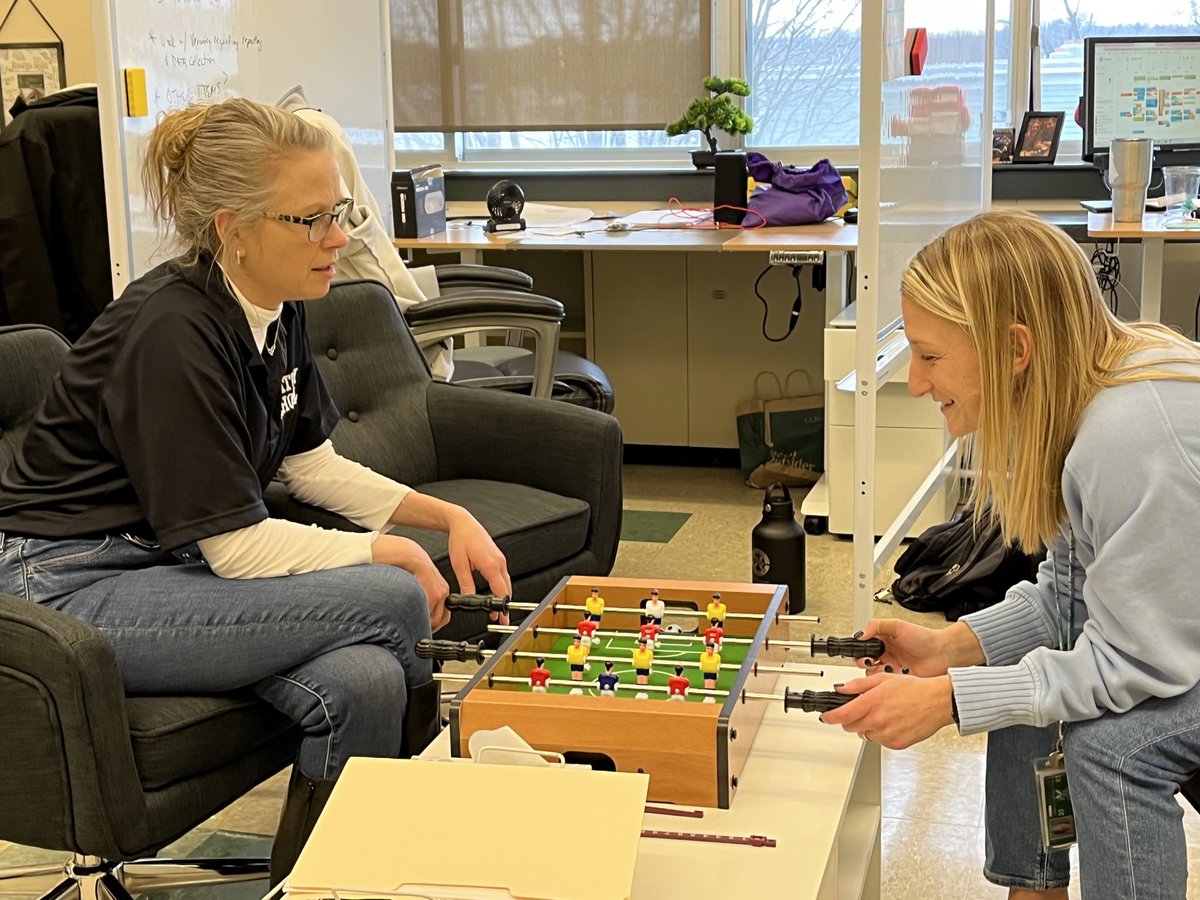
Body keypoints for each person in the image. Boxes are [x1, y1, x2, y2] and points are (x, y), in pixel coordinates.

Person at [0, 97, 511, 883]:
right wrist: (392, 553)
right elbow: (237, 548)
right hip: (63, 588)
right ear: (233, 229)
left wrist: (446, 515)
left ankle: (331, 880)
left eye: (337, 211)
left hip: (164, 565)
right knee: (395, 598)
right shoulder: (172, 331)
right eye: (310, 219)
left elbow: (309, 465)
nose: (338, 237)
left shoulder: (278, 302)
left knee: (366, 678)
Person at [819, 209, 1200, 899]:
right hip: (1178, 633)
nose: (916, 381)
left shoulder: (1126, 436)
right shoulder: (1087, 389)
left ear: (1014, 348)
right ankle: (1034, 889)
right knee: (1021, 674)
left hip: (1173, 648)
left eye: (931, 356)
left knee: (1111, 752)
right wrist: (953, 648)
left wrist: (949, 701)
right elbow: (1067, 596)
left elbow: (1135, 664)